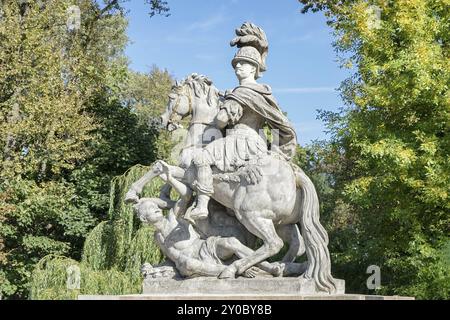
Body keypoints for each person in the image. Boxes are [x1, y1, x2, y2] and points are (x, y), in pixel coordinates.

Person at [189, 26, 298, 221]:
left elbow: (222, 122)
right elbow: (276, 123)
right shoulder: (264, 93)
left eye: (243, 63)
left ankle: (202, 206)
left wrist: (219, 115)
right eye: (236, 64)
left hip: (240, 142)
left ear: (254, 68)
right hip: (256, 143)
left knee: (200, 159)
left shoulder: (241, 94)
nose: (237, 67)